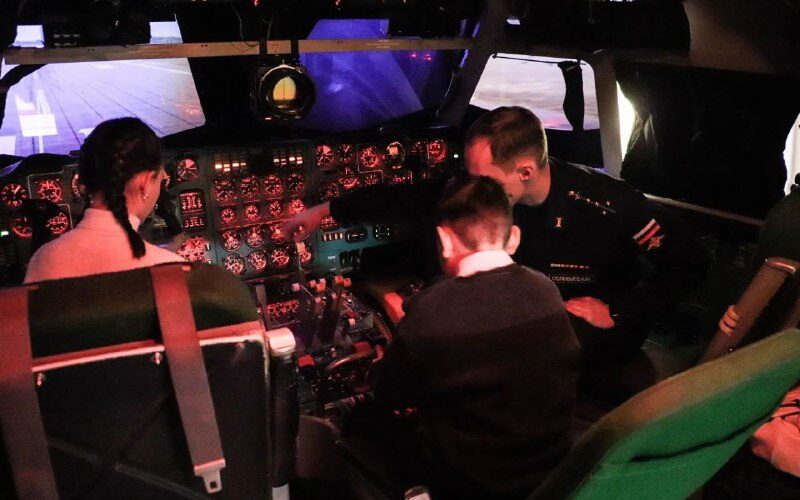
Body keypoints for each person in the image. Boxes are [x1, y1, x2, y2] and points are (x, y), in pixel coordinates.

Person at [287, 106, 703, 364]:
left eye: (483, 178)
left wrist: (619, 312)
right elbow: (410, 198)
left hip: (582, 332)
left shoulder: (609, 205)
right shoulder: (486, 191)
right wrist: (327, 210)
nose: (473, 190)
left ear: (525, 171)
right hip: (518, 316)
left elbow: (691, 262)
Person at [351, 175, 579, 499]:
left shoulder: (431, 310)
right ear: (513, 238)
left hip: (471, 487)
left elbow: (389, 393)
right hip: (552, 476)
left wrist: (385, 358)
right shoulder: (546, 289)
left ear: (443, 240)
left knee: (360, 426)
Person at [25, 117, 182, 283]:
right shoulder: (173, 271)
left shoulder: (42, 261)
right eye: (160, 181)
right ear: (145, 183)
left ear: (83, 184)